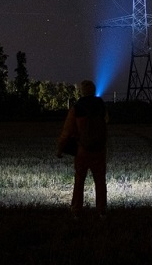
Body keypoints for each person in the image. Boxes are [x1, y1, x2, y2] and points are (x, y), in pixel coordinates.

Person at [56, 79, 108, 218]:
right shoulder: (101, 105)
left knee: (79, 181)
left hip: (82, 151)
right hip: (99, 150)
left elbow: (66, 132)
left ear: (82, 91)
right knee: (100, 181)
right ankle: (101, 210)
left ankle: (76, 210)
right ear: (94, 89)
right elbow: (106, 123)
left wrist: (60, 149)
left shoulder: (76, 108)